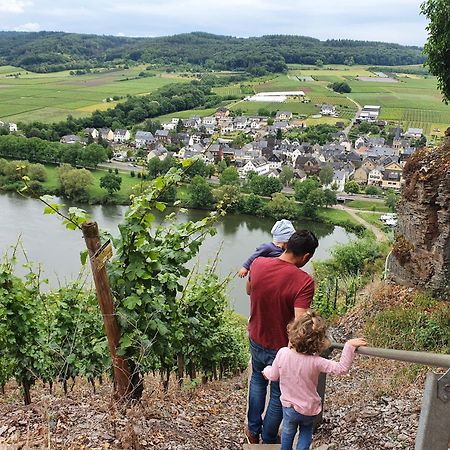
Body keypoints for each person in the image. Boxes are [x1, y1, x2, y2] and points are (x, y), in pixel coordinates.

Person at [245, 229, 319, 445]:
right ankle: (268, 437)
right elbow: (301, 324)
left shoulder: (258, 263)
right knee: (278, 392)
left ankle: (252, 432)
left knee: (257, 380)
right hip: (281, 348)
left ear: (286, 245)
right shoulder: (303, 281)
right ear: (306, 256)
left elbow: (249, 290)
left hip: (256, 336)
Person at [263, 312, 367, 450]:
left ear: (294, 331)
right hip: (309, 409)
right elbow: (342, 368)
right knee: (306, 432)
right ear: (319, 341)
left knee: (288, 432)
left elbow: (273, 375)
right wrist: (348, 346)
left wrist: (266, 370)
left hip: (289, 408)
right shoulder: (317, 362)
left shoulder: (283, 353)